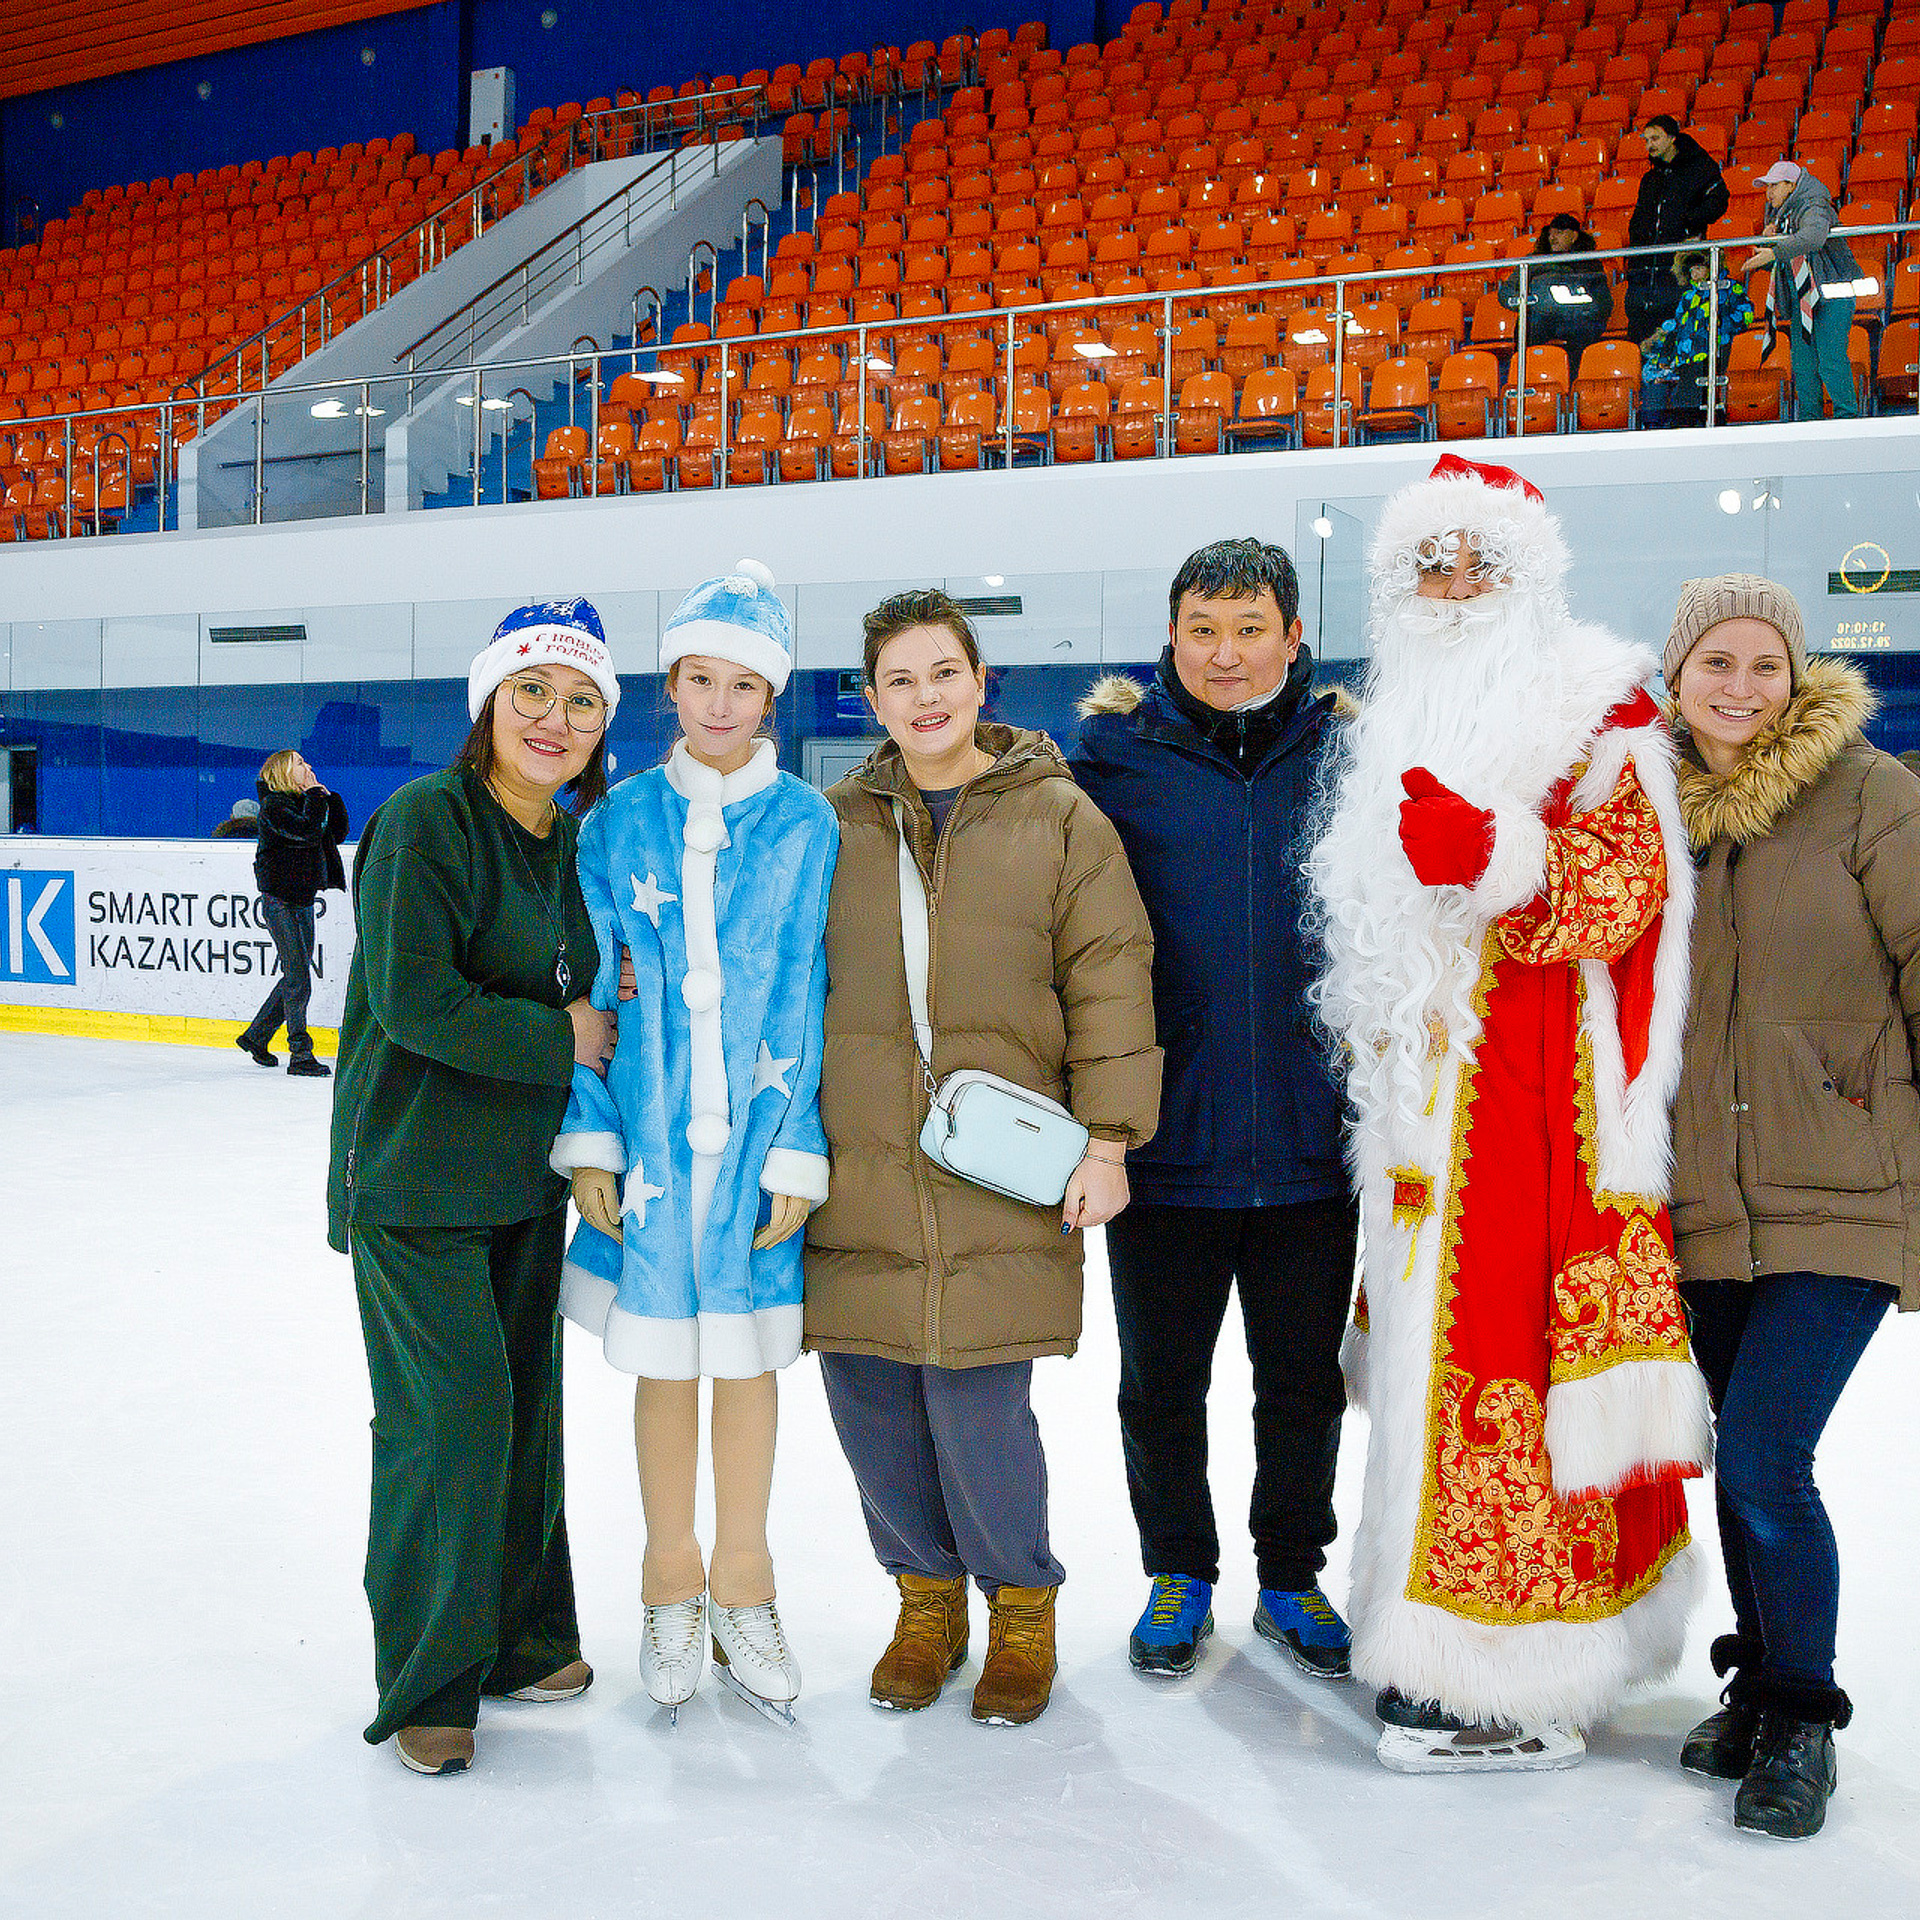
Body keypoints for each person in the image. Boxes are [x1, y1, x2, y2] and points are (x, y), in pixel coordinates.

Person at [1308, 454, 1711, 1773]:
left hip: (1542, 1106)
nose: (1453, 582)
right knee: (1429, 1376)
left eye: (1477, 557)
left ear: (1525, 571)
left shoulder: (1604, 708)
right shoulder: (1393, 713)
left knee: (1515, 1371)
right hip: (1424, 1106)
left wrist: (1492, 857)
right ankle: (1426, 1628)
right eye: (1430, 561)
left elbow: (1625, 893)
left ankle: (1519, 1656)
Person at [804, 589, 1161, 1728]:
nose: (924, 697)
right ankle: (923, 1601)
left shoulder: (1062, 818)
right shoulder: (833, 822)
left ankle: (1018, 1605)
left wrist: (1108, 1141)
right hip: (856, 1159)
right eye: (899, 680)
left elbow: (1111, 976)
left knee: (977, 1407)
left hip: (1000, 1162)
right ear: (871, 698)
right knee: (869, 1398)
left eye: (943, 673)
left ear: (980, 682)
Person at [326, 599, 619, 1777]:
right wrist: (568, 1036)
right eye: (533, 694)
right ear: (489, 703)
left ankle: (524, 1636)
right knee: (447, 1428)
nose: (555, 720)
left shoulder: (574, 843)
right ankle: (430, 1683)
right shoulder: (425, 822)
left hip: (521, 1185)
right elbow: (414, 1000)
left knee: (524, 1417)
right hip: (413, 1183)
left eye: (583, 701)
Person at [552, 562, 838, 1725]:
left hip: (760, 1134)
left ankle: (746, 1582)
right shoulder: (617, 822)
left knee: (750, 1367)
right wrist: (594, 1140)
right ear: (670, 687)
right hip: (656, 1142)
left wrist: (796, 1144)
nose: (720, 706)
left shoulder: (810, 824)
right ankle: (670, 1580)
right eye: (698, 681)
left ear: (773, 698)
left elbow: (813, 991)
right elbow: (589, 997)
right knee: (662, 1366)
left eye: (743, 686)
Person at [1069, 540, 1360, 1682]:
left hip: (1309, 1140)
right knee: (1161, 1383)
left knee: (1299, 1383)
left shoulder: (1350, 755)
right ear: (1170, 636)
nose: (1226, 653)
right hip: (1166, 1138)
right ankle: (1177, 1571)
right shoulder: (1110, 759)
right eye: (1204, 628)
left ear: (1294, 639)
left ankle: (1292, 1575)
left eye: (1250, 630)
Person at [1664, 575, 1918, 1839]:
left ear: (1799, 672)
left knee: (1771, 1451)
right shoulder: (1649, 802)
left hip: (1844, 1185)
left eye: (1766, 664)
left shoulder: (1871, 792)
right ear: (1679, 672)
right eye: (1717, 660)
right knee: (1737, 1457)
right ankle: (1758, 1684)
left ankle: (1804, 1717)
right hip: (1702, 1195)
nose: (1741, 687)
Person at [234, 751, 347, 1077]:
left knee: (295, 976)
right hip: (280, 902)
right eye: (300, 763)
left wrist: (331, 799)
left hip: (303, 900)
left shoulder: (305, 803)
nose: (308, 767)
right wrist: (314, 797)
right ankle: (300, 1053)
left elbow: (333, 836)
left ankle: (256, 1036)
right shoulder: (275, 807)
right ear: (283, 772)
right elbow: (307, 833)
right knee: (298, 978)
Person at [1747, 160, 1861, 422]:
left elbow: (1813, 237)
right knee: (1803, 364)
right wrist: (1771, 239)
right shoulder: (1781, 213)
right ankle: (1810, 422)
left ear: (1791, 185)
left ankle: (1847, 420)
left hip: (1833, 292)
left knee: (1830, 358)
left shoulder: (1814, 203)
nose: (1769, 192)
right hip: (1804, 296)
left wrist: (1773, 251)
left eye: (1774, 185)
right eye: (1767, 186)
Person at [1626, 115, 1729, 342]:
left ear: (1672, 138)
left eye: (1655, 138)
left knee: (1680, 333)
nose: (1649, 145)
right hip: (1644, 273)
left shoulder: (1700, 167)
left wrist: (1688, 224)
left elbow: (1719, 200)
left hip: (1679, 269)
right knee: (1641, 340)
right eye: (1646, 140)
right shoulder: (1650, 178)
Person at [1640, 250, 1754, 428]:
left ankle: (1708, 429)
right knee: (1685, 401)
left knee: (1701, 400)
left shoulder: (1730, 288)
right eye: (1692, 270)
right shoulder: (1688, 296)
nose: (1695, 273)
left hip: (1716, 352)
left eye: (1699, 268)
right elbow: (1676, 326)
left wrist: (1720, 326)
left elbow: (1746, 315)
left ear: (1710, 268)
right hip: (1688, 357)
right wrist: (1665, 356)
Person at [1499, 213, 1614, 375]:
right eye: (1551, 233)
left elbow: (1602, 301)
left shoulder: (1589, 262)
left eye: (1559, 233)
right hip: (1542, 317)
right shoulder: (1533, 261)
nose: (1553, 238)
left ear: (1574, 236)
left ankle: (1576, 381)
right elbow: (1507, 290)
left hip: (1578, 319)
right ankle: (1526, 377)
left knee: (1584, 331)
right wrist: (1524, 304)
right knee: (1527, 325)